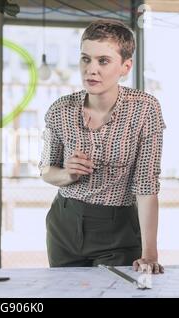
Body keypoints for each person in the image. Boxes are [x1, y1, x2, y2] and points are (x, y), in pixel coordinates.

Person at [39, 19, 166, 274]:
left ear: (125, 67)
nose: (91, 69)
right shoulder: (60, 110)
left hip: (118, 229)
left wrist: (149, 254)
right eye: (86, 59)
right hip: (64, 224)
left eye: (103, 61)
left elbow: (146, 185)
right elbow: (45, 170)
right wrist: (67, 174)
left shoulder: (145, 109)